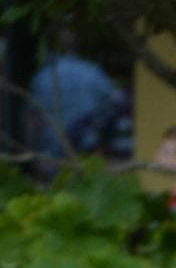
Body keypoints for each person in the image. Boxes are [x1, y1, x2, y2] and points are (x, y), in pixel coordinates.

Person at [27, 26, 123, 171]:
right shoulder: (95, 74)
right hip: (87, 156)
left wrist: (33, 155)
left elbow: (34, 122)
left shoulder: (42, 77)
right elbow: (115, 109)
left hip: (50, 157)